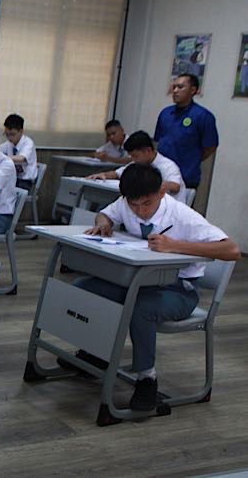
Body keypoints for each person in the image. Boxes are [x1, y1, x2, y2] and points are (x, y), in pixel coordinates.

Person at [70, 164, 239, 411]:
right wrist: (103, 223)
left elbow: (232, 250)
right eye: (134, 205)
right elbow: (106, 214)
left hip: (179, 290)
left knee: (141, 309)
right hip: (141, 282)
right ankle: (95, 354)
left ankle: (147, 379)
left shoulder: (183, 216)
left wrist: (176, 246)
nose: (140, 211)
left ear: (161, 192)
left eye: (146, 204)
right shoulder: (127, 202)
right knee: (85, 287)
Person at [153, 73, 218, 189]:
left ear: (193, 90)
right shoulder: (165, 113)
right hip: (160, 176)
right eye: (174, 87)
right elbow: (158, 141)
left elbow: (210, 147)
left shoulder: (203, 116)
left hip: (186, 177)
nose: (175, 91)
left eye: (180, 87)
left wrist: (192, 159)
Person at [87, 131, 186, 203]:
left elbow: (175, 186)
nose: (134, 159)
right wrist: (103, 174)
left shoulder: (168, 165)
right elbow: (118, 173)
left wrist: (147, 185)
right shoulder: (138, 163)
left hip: (167, 211)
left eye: (136, 156)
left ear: (148, 150)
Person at [0, 113, 38, 190]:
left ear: (21, 131)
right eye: (7, 134)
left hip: (25, 181)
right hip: (14, 178)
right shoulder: (9, 143)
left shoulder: (28, 143)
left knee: (4, 190)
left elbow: (21, 158)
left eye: (12, 134)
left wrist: (3, 157)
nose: (9, 138)